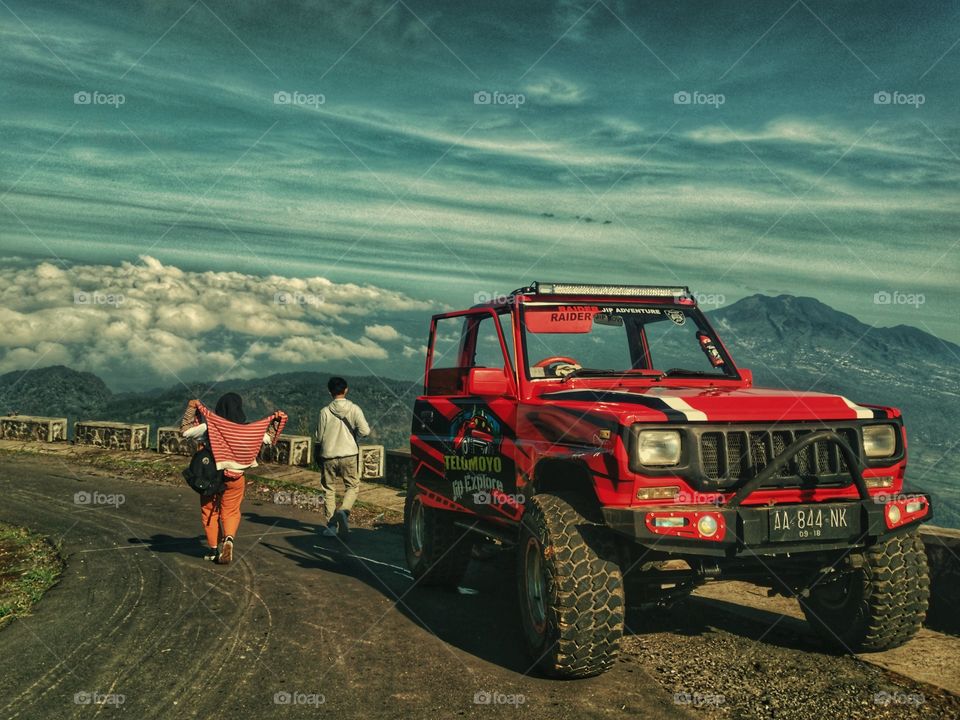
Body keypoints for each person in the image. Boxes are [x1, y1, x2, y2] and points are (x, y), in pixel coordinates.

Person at [180, 393, 287, 564]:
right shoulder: (249, 429)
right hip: (236, 478)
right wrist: (275, 418)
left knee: (209, 511)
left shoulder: (210, 427)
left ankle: (214, 550)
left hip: (211, 477)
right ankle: (228, 540)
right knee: (230, 511)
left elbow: (185, 432)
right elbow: (270, 438)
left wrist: (191, 408)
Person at [315, 377, 370, 539]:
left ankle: (331, 526)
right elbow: (365, 431)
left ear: (329, 392)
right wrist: (355, 435)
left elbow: (318, 436)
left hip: (329, 455)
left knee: (329, 489)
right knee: (352, 486)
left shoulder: (324, 411)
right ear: (346, 390)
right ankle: (344, 511)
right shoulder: (354, 409)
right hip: (349, 454)